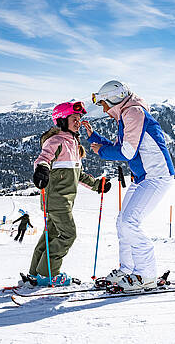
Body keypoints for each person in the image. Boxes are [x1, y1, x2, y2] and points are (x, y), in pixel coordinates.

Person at [85, 80, 175, 292]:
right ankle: (127, 271)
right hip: (141, 176)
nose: (104, 110)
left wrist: (102, 151)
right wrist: (94, 138)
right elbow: (123, 147)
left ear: (114, 99)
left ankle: (146, 275)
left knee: (129, 222)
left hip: (155, 176)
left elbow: (127, 153)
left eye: (104, 104)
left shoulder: (133, 113)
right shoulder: (127, 114)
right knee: (122, 222)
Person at [25, 100, 111, 287]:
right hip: (57, 200)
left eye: (79, 118)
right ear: (62, 120)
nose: (78, 121)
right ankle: (49, 274)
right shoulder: (56, 141)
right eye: (74, 118)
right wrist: (41, 170)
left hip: (61, 201)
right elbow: (43, 158)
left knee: (50, 236)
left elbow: (77, 174)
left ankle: (35, 273)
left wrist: (97, 185)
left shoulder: (73, 143)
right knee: (68, 235)